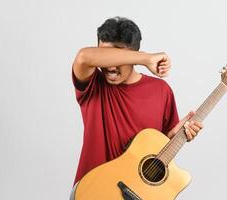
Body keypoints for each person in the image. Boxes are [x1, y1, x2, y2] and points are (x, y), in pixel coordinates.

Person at [70, 16, 203, 200]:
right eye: (107, 58)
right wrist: (146, 59)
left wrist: (175, 137)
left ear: (133, 53)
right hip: (91, 193)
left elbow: (158, 152)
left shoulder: (161, 91)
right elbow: (84, 57)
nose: (110, 67)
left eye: (119, 57)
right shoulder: (93, 85)